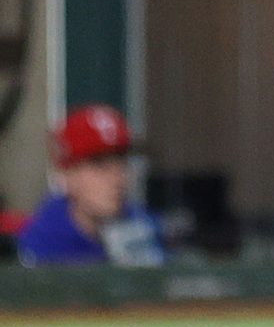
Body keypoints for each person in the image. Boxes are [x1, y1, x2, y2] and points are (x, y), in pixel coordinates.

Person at [13, 103, 169, 264]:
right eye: (99, 165)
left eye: (122, 162)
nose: (117, 179)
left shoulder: (143, 226)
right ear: (67, 176)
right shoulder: (43, 242)